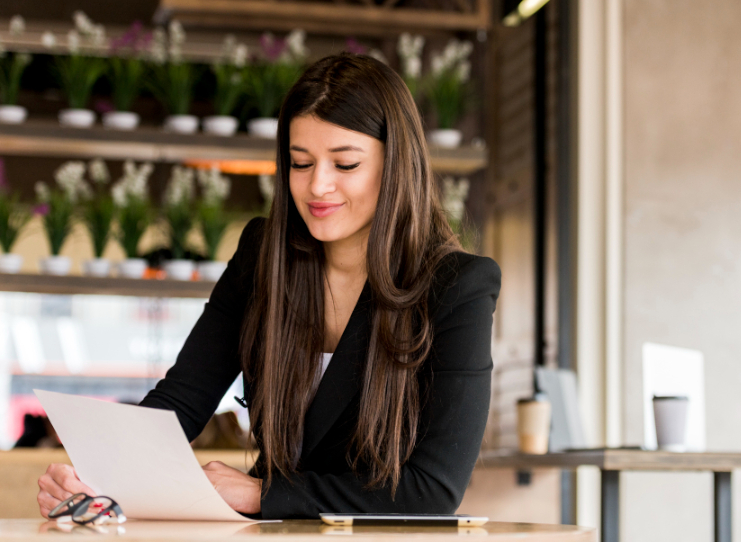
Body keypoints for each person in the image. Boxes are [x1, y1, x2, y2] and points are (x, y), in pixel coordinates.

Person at [36, 53, 501, 520]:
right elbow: (179, 403)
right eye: (300, 163)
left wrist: (263, 494)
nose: (318, 186)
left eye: (345, 165)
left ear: (395, 166)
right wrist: (96, 476)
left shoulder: (457, 286)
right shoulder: (263, 257)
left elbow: (434, 491)